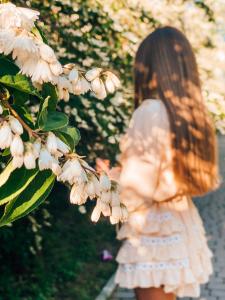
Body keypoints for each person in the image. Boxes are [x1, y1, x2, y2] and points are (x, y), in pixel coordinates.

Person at [99, 26, 220, 300]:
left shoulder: (151, 111)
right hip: (179, 223)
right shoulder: (190, 115)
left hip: (155, 231)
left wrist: (105, 180)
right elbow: (161, 176)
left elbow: (136, 191)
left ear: (150, 66)